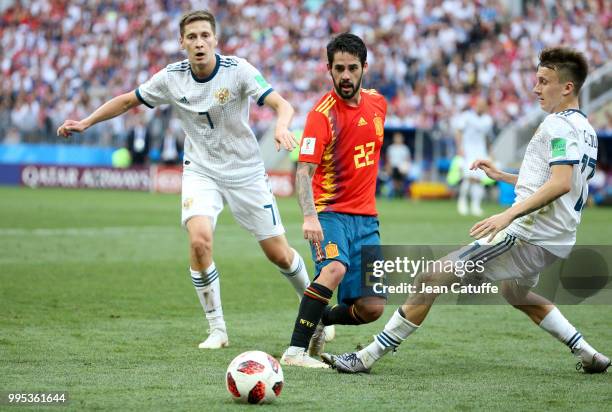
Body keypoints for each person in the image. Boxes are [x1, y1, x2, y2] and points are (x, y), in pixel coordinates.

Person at [322, 47, 610, 374]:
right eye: (537, 80)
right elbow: (562, 181)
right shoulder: (585, 129)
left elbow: (559, 183)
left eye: (544, 82)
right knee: (515, 291)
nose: (536, 88)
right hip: (555, 238)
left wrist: (508, 215)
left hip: (527, 233)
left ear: (567, 87)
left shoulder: (557, 126)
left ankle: (366, 357)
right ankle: (587, 352)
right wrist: (504, 176)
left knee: (431, 277)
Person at [57, 10, 312, 349]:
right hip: (200, 170)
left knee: (278, 254)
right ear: (182, 43)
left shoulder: (238, 70)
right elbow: (127, 101)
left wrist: (281, 125)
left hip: (245, 172)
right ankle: (217, 329)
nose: (199, 42)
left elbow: (282, 104)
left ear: (215, 39)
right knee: (199, 241)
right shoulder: (170, 77)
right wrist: (86, 122)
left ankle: (313, 308)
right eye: (191, 37)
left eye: (205, 35)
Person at [280, 33, 388, 368]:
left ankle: (320, 319)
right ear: (328, 69)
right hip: (330, 215)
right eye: (338, 68)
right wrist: (310, 217)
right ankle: (295, 352)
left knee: (372, 308)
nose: (345, 75)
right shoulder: (321, 115)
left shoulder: (378, 105)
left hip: (367, 221)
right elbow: (303, 172)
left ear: (364, 68)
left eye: (352, 68)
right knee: (334, 268)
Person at [453, 97, 494, 216]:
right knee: (468, 177)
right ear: (476, 105)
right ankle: (462, 202)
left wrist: (490, 152)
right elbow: (458, 131)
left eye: (484, 105)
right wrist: (460, 147)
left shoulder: (488, 120)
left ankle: (476, 205)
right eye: (479, 104)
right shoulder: (466, 116)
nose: (481, 107)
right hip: (468, 151)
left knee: (479, 180)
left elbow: (487, 137)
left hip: (481, 152)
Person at [385, 132, 412, 198]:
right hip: (393, 166)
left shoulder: (405, 148)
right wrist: (388, 168)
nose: (398, 139)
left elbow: (407, 159)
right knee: (394, 181)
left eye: (399, 138)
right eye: (396, 138)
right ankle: (394, 194)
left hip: (402, 167)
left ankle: (401, 194)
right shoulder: (391, 148)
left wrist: (407, 167)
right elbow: (388, 159)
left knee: (401, 182)